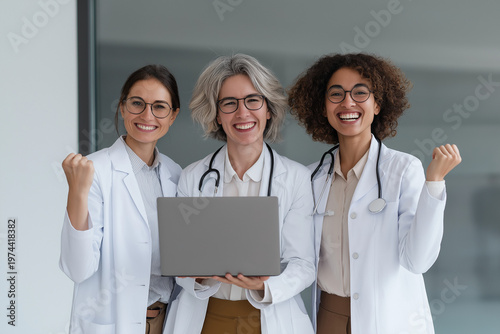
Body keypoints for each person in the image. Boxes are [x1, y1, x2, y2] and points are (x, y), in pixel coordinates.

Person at [287, 53, 462, 334]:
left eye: (360, 93)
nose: (347, 103)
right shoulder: (309, 177)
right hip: (328, 317)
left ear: (378, 104)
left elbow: (417, 260)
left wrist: (435, 183)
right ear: (322, 107)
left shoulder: (403, 170)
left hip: (387, 318)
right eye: (336, 94)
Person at [164, 54, 315, 334]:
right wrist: (200, 277)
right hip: (206, 317)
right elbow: (180, 265)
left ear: (268, 109)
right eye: (229, 103)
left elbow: (303, 264)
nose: (242, 113)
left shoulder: (296, 178)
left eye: (253, 100)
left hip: (269, 316)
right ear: (217, 115)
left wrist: (264, 286)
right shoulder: (193, 176)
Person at [60, 64, 182, 334]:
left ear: (173, 116)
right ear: (122, 107)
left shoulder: (176, 174)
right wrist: (77, 193)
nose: (147, 115)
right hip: (114, 323)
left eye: (159, 107)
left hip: (166, 320)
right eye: (137, 103)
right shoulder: (94, 170)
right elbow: (77, 269)